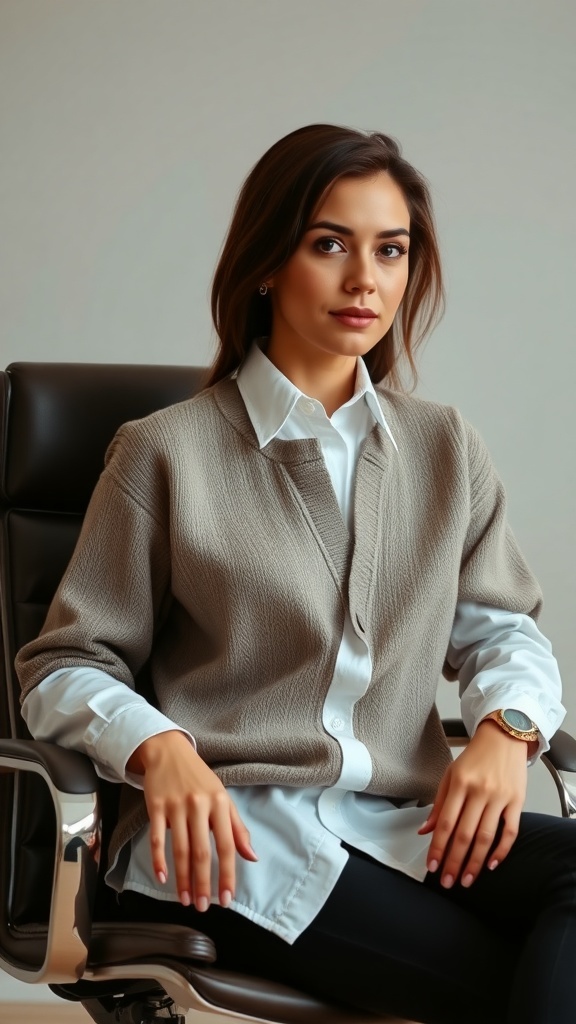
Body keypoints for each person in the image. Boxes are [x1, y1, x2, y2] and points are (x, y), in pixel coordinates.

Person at [15, 124, 575, 1024]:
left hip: (402, 825)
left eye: (390, 250)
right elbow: (62, 665)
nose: (366, 280)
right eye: (330, 244)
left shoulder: (445, 448)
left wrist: (508, 733)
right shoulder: (165, 454)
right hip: (234, 842)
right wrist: (160, 749)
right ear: (268, 263)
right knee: (504, 984)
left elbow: (503, 630)